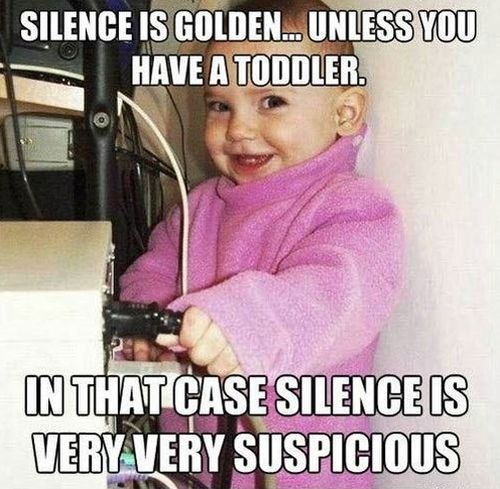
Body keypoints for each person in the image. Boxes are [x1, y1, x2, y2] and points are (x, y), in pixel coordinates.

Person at [120, 0, 404, 487]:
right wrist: (147, 324)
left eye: (271, 101)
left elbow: (336, 295)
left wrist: (240, 322)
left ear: (344, 112)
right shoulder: (198, 206)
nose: (238, 130)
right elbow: (151, 271)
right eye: (219, 105)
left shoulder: (352, 207)